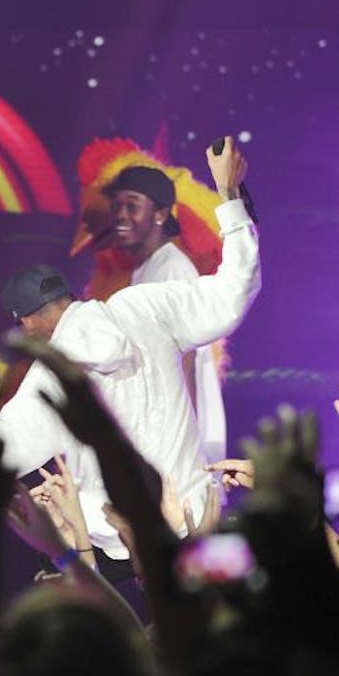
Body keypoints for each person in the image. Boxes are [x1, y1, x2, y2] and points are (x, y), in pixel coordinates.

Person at [0, 137, 258, 567]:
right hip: (195, 518)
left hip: (125, 545)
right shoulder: (144, 305)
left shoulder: (58, 371)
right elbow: (233, 292)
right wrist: (229, 198)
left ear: (28, 322)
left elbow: (7, 447)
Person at [106, 164, 228, 464]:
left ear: (160, 214)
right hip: (160, 434)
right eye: (117, 206)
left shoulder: (172, 269)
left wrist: (187, 451)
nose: (121, 215)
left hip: (177, 442)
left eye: (132, 206)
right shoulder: (147, 268)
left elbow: (184, 360)